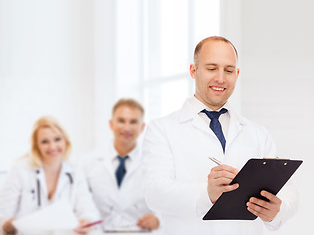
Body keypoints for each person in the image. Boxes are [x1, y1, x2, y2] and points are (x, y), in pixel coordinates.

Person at [142, 36, 298, 235]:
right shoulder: (162, 129)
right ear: (193, 70)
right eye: (212, 68)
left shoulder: (257, 133)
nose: (221, 78)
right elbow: (154, 192)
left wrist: (278, 210)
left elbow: (288, 189)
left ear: (237, 74)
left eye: (229, 70)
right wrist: (207, 194)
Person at [0, 116, 99, 234]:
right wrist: (7, 224)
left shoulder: (75, 171)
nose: (52, 147)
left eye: (57, 139)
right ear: (36, 146)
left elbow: (87, 209)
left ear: (65, 141)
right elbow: (3, 214)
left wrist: (86, 221)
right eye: (44, 141)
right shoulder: (19, 170)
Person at [83, 98, 160, 232]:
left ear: (142, 127)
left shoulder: (155, 162)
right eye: (121, 121)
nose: (127, 128)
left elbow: (169, 201)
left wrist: (158, 219)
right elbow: (82, 202)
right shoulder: (88, 162)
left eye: (133, 122)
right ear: (111, 124)